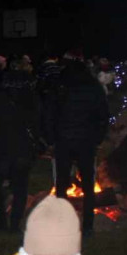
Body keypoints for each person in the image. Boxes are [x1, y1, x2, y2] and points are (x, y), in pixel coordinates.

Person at [45, 52, 109, 236]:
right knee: (88, 185)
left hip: (64, 140)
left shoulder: (60, 84)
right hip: (86, 141)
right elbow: (102, 115)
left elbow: (49, 113)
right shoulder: (92, 85)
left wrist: (51, 139)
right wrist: (97, 139)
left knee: (62, 183)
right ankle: (88, 226)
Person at [0, 69, 42, 232]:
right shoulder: (30, 99)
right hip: (23, 149)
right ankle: (14, 224)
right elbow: (37, 124)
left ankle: (1, 221)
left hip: (1, 148)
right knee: (20, 188)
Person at [98, 108, 127, 192]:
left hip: (126, 165)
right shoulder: (118, 132)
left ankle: (113, 187)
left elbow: (123, 152)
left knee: (107, 167)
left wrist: (109, 158)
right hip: (119, 161)